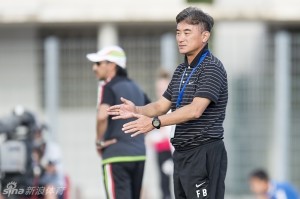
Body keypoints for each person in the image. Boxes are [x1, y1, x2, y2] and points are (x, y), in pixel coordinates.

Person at [108, 7, 228, 199]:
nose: (180, 38)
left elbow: (195, 110)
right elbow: (161, 105)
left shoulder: (212, 67)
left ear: (205, 36)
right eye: (178, 32)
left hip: (203, 153)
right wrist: (136, 109)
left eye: (187, 32)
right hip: (181, 154)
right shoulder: (181, 70)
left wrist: (155, 122)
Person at [86, 45, 150, 199]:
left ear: (112, 65)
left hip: (116, 155)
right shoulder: (137, 87)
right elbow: (153, 113)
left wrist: (99, 141)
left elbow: (102, 116)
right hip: (139, 154)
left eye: (99, 63)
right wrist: (140, 135)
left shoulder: (107, 86)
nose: (94, 68)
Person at [146, 69, 174, 199]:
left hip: (172, 151)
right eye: (159, 89)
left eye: (164, 88)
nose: (160, 92)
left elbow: (166, 131)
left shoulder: (175, 108)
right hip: (160, 151)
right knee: (163, 184)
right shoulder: (156, 108)